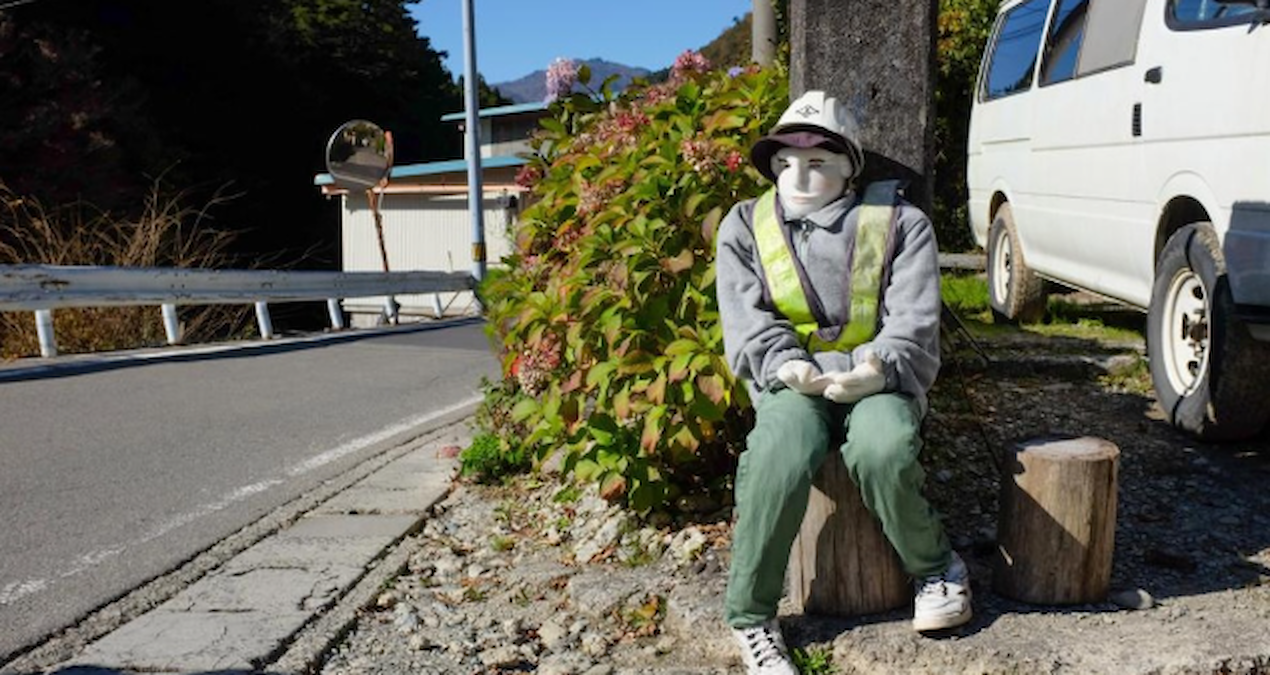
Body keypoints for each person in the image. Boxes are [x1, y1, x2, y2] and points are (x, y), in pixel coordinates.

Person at [715, 90, 971, 674]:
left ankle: (936, 568)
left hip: (877, 379)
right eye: (785, 162)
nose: (798, 176)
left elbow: (914, 318)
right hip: (792, 382)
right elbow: (745, 317)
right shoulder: (745, 227)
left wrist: (878, 366)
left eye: (818, 161)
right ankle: (752, 616)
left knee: (885, 449)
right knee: (778, 454)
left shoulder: (901, 224)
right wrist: (784, 363)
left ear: (849, 166)